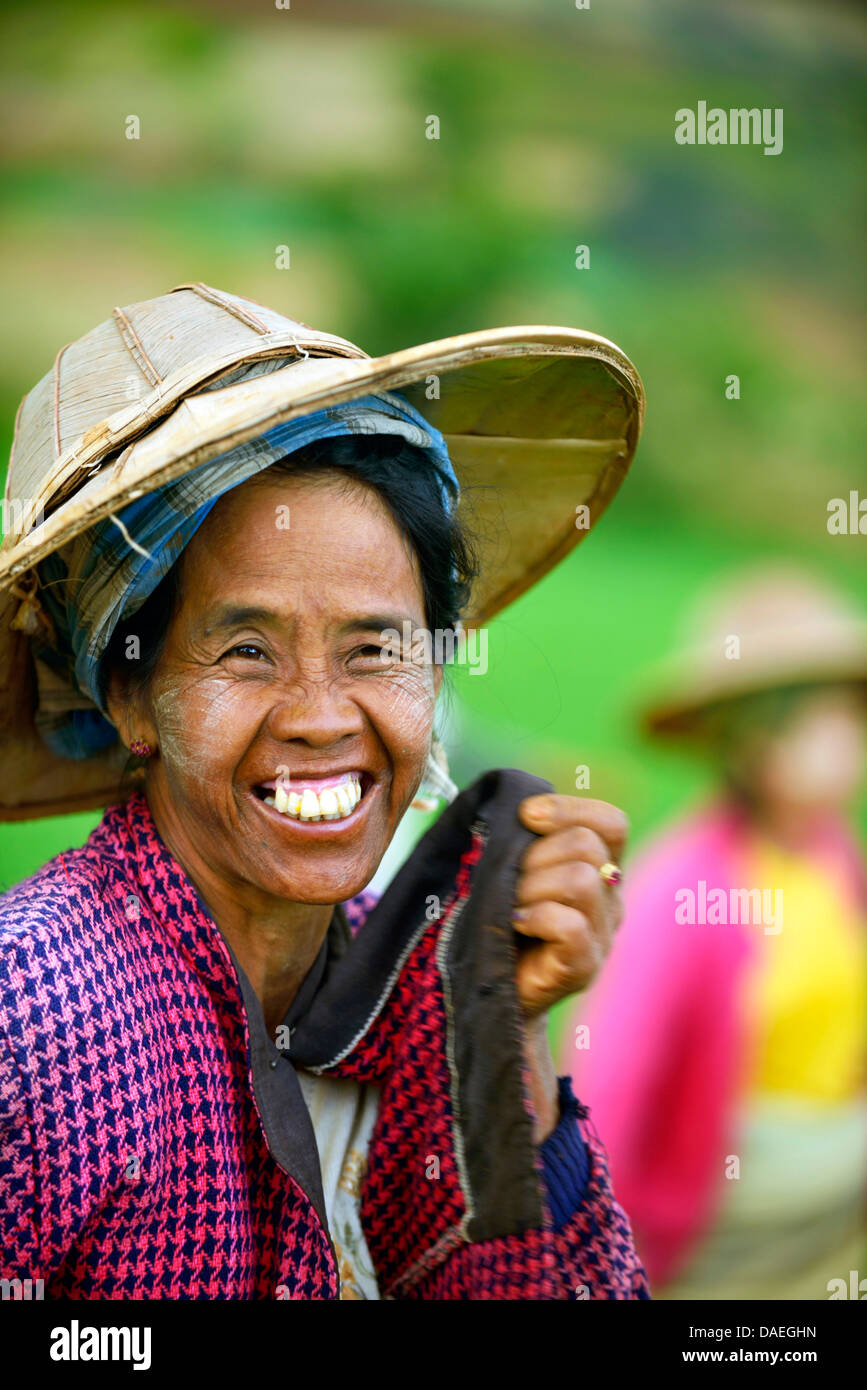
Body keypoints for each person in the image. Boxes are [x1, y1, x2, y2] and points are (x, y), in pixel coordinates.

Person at [0, 282, 648, 1299]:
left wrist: (505, 1038)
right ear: (131, 695)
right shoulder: (31, 1023)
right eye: (248, 650)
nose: (320, 715)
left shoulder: (415, 988)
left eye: (375, 647)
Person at [563, 566, 867, 1299]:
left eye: (849, 716)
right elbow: (613, 1086)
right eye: (814, 721)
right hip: (727, 1222)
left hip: (834, 1189)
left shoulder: (833, 857)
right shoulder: (683, 889)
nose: (844, 741)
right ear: (751, 738)